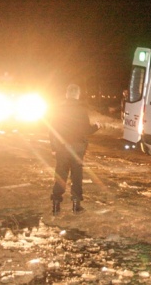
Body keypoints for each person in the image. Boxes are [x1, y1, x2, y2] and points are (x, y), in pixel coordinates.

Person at [49, 84, 100, 215]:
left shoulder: (58, 109)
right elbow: (86, 130)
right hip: (77, 147)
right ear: (77, 95)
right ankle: (76, 204)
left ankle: (56, 203)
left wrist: (53, 147)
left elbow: (52, 130)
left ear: (67, 94)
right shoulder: (81, 110)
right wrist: (96, 127)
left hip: (62, 147)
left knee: (61, 174)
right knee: (77, 175)